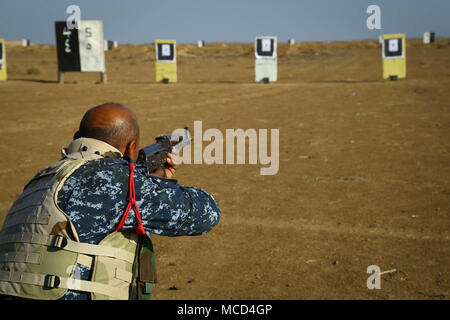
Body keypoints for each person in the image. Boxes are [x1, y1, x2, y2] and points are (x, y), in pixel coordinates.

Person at [0, 102, 220, 300]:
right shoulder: (118, 179)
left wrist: (152, 179)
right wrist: (154, 183)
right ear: (131, 147)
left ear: (77, 136)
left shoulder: (44, 177)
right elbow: (206, 213)